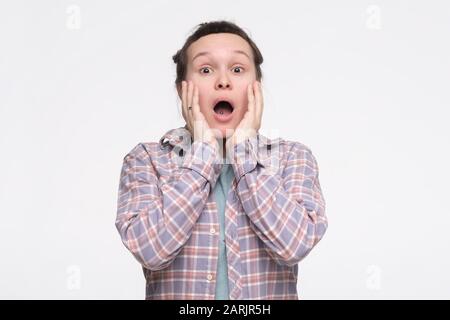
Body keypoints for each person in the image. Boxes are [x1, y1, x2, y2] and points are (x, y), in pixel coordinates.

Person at [115, 20, 328, 300]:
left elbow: (294, 245)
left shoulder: (292, 158)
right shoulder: (146, 160)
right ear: (182, 91)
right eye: (205, 69)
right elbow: (151, 250)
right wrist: (204, 152)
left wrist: (242, 151)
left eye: (238, 69)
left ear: (256, 88)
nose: (223, 81)